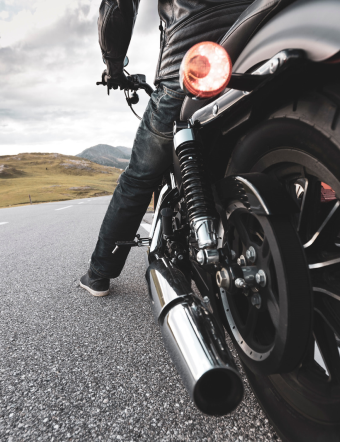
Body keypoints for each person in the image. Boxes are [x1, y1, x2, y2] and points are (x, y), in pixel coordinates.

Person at [80, 0, 253, 297]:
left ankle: (99, 273)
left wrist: (114, 68)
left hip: (193, 60)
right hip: (262, 44)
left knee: (138, 177)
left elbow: (118, 7)